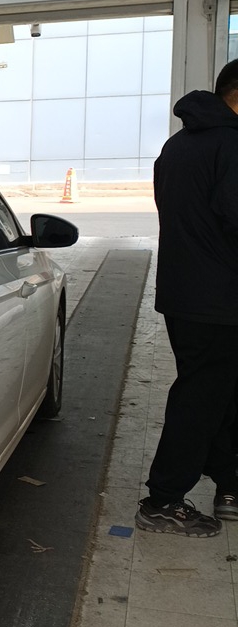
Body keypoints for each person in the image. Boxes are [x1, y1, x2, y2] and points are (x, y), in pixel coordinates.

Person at [137, 59, 238, 536]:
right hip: (220, 299)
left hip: (184, 295)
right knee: (200, 399)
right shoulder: (231, 146)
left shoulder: (177, 145)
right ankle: (163, 499)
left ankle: (228, 482)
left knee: (215, 393)